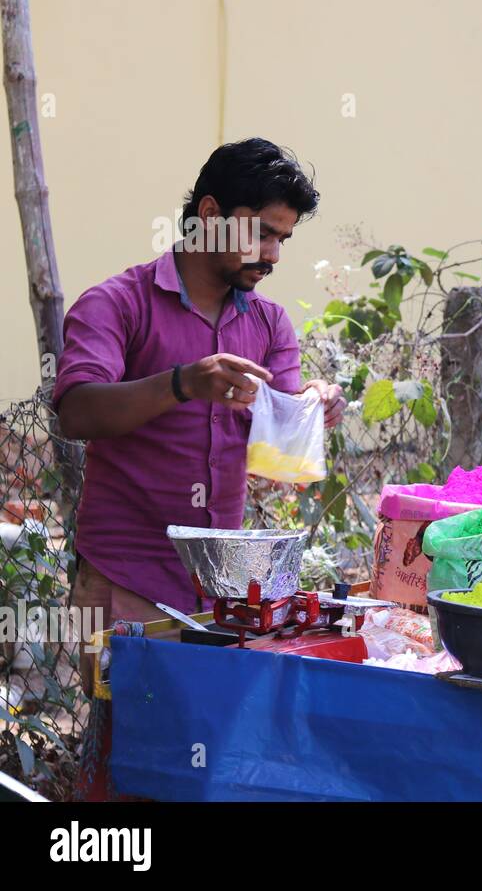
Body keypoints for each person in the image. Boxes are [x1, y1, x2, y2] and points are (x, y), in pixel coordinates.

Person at [54, 138, 345, 686]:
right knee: (125, 749)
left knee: (195, 750)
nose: (274, 255)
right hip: (124, 584)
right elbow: (76, 412)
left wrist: (314, 406)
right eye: (261, 233)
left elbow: (277, 445)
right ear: (210, 215)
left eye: (282, 238)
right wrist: (183, 383)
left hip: (222, 592)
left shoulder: (269, 325)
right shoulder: (117, 304)